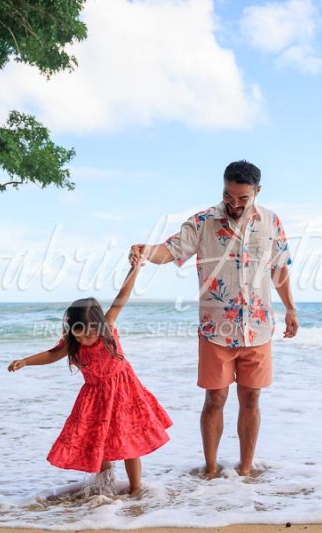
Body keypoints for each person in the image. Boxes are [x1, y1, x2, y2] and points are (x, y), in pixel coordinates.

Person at [129, 160, 298, 479]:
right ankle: (210, 468)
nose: (233, 203)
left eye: (242, 198)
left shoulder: (272, 222)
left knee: (251, 398)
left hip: (258, 329)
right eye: (228, 195)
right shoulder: (204, 221)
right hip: (215, 330)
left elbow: (280, 269)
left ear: (256, 192)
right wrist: (145, 251)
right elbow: (171, 250)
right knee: (215, 397)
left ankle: (245, 469)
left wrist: (290, 308)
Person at [7, 265, 172, 495]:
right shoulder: (72, 343)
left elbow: (121, 297)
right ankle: (104, 490)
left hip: (124, 393)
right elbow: (52, 354)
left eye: (89, 334)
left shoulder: (108, 328)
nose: (84, 339)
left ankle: (136, 490)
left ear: (99, 326)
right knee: (100, 444)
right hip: (95, 398)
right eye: (79, 335)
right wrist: (25, 361)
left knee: (130, 444)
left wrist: (134, 270)